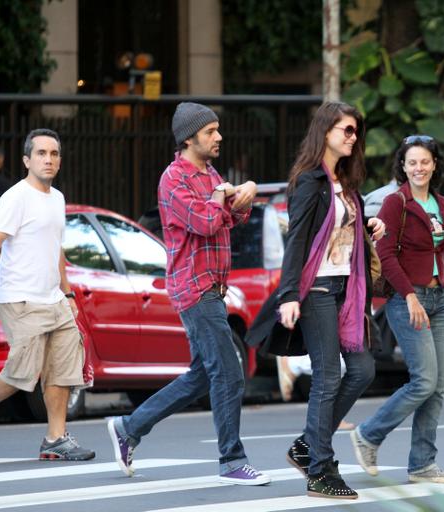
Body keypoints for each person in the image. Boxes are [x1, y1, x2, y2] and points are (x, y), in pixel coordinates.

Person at [106, 102, 270, 485]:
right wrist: (225, 198)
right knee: (229, 373)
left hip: (214, 287)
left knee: (202, 375)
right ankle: (232, 460)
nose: (219, 137)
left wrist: (246, 192)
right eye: (211, 131)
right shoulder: (174, 179)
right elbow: (209, 221)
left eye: (217, 130)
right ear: (189, 137)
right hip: (193, 289)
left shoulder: (211, 173)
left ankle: (129, 428)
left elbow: (236, 216)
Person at [246, 101, 385, 499]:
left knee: (362, 369)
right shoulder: (310, 181)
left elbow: (341, 233)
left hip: (347, 290)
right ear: (325, 131)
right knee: (328, 376)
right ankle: (320, 470)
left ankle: (307, 444)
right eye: (346, 129)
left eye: (356, 131)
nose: (352, 137)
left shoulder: (346, 183)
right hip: (318, 289)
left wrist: (367, 226)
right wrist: (289, 294)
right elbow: (298, 241)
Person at [0, 128, 95, 461]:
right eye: (41, 153)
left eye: (54, 154)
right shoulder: (15, 197)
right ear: (26, 160)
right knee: (24, 369)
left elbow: (56, 249)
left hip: (54, 299)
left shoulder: (58, 198)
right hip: (20, 297)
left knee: (62, 369)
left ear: (59, 161)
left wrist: (68, 293)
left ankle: (55, 438)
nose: (48, 159)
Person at [349, 135, 444, 484]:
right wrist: (410, 296)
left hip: (438, 301)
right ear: (403, 166)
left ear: (434, 165)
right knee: (423, 380)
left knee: (437, 387)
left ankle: (423, 465)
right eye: (412, 162)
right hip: (406, 300)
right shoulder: (396, 203)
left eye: (424, 162)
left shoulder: (442, 205)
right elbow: (385, 254)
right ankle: (368, 435)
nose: (419, 168)